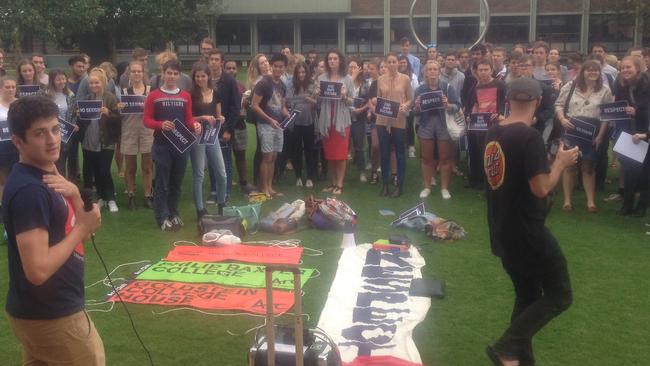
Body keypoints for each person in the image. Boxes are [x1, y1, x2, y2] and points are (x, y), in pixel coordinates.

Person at [3, 95, 104, 365]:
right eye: (39, 133)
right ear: (17, 141)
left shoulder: (46, 174)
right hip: (52, 314)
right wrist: (81, 230)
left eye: (55, 129)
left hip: (41, 311)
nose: (52, 139)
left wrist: (74, 196)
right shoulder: (30, 191)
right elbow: (37, 271)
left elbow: (84, 225)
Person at [484, 77, 576, 366]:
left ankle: (518, 359)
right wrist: (560, 162)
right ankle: (506, 347)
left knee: (527, 296)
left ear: (508, 100)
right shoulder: (529, 137)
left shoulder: (493, 132)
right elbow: (541, 188)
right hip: (528, 232)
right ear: (537, 102)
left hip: (503, 229)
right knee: (560, 295)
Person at [144, 59, 201, 231]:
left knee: (177, 181)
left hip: (181, 145)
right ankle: (161, 217)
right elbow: (146, 120)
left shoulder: (185, 96)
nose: (172, 76)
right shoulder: (154, 95)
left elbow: (188, 119)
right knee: (162, 182)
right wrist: (160, 124)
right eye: (169, 73)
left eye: (175, 73)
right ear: (163, 73)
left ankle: (174, 214)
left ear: (179, 75)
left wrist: (195, 126)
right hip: (162, 145)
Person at [555, 60, 612, 213]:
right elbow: (558, 104)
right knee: (570, 166)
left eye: (596, 70)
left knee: (588, 167)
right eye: (589, 70)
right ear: (583, 72)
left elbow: (606, 115)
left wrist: (600, 136)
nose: (592, 72)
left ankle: (591, 202)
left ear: (600, 73)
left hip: (592, 132)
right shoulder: (570, 86)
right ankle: (567, 201)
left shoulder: (605, 90)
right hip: (571, 130)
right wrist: (562, 119)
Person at [414, 60, 460, 200]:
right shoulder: (420, 90)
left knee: (444, 158)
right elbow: (415, 113)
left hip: (443, 123)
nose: (432, 72)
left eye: (435, 69)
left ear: (439, 71)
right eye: (430, 69)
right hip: (426, 124)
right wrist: (416, 107)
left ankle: (444, 188)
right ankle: (427, 187)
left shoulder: (447, 87)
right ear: (425, 72)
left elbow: (458, 106)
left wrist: (448, 105)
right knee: (427, 158)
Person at [78, 68, 121, 213]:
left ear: (102, 82)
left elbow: (118, 118)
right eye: (91, 83)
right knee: (95, 170)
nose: (94, 85)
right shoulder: (87, 99)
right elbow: (82, 122)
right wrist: (79, 114)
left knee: (104, 170)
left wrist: (108, 113)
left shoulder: (110, 98)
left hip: (106, 140)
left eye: (96, 82)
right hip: (89, 140)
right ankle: (101, 197)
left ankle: (111, 199)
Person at [613, 56, 650, 216]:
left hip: (646, 134)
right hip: (629, 134)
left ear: (638, 68)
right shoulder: (621, 86)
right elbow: (620, 110)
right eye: (622, 68)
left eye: (629, 67)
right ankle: (627, 204)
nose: (625, 70)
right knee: (629, 169)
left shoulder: (647, 85)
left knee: (646, 172)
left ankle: (642, 207)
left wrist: (638, 113)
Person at [189, 62, 227, 219]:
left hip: (212, 135)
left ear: (208, 76)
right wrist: (202, 117)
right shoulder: (190, 94)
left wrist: (221, 119)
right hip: (197, 136)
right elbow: (188, 118)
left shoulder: (215, 93)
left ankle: (221, 203)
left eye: (203, 76)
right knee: (199, 174)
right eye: (197, 76)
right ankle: (200, 209)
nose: (200, 79)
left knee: (222, 173)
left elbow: (218, 115)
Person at [316, 49, 354, 195]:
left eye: (335, 58)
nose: (332, 61)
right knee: (330, 154)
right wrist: (317, 94)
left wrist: (344, 96)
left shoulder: (347, 78)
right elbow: (318, 102)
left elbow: (352, 101)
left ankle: (340, 184)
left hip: (342, 121)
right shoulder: (322, 78)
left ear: (340, 61)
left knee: (341, 154)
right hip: (326, 119)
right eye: (330, 59)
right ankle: (333, 183)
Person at [374, 53, 412, 197]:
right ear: (386, 64)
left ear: (398, 63)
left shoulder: (405, 79)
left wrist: (405, 105)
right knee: (384, 153)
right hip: (382, 121)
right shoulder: (380, 79)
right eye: (388, 62)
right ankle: (384, 185)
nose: (391, 64)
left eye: (394, 61)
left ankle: (399, 185)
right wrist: (376, 103)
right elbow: (379, 98)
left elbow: (410, 99)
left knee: (400, 153)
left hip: (399, 120)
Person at [251, 53, 290, 198]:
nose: (278, 69)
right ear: (271, 66)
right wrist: (269, 120)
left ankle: (270, 187)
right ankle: (264, 188)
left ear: (285, 68)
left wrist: (288, 114)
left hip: (278, 125)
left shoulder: (282, 85)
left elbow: (282, 107)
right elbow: (254, 106)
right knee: (266, 157)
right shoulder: (263, 83)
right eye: (276, 66)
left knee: (273, 157)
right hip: (266, 125)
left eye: (281, 67)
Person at [117, 61, 154, 210]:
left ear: (143, 73)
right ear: (129, 74)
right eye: (134, 71)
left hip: (147, 131)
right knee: (130, 167)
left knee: (147, 167)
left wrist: (149, 107)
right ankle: (131, 195)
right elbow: (120, 116)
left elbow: (156, 112)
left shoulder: (150, 91)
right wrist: (120, 108)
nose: (137, 74)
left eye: (139, 71)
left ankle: (147, 195)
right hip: (129, 130)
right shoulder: (124, 93)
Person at [465, 58, 506, 188]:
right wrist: (469, 117)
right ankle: (481, 181)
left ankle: (494, 181)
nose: (483, 72)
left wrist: (500, 114)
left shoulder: (500, 85)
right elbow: (474, 106)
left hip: (497, 124)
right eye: (480, 70)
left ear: (491, 70)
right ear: (476, 71)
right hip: (480, 126)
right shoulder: (475, 87)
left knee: (495, 154)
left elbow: (506, 104)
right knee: (480, 153)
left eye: (486, 69)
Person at [207, 49, 240, 203]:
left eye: (216, 59)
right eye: (211, 59)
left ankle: (225, 192)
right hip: (208, 126)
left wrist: (228, 129)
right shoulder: (204, 79)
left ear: (221, 62)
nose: (213, 62)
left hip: (224, 127)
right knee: (211, 160)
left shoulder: (229, 81)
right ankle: (214, 191)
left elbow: (235, 107)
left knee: (225, 160)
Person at [224, 59, 257, 193]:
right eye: (228, 68)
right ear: (224, 69)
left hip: (239, 124)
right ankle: (226, 183)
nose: (231, 70)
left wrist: (246, 104)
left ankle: (244, 183)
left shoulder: (241, 87)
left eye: (233, 68)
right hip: (225, 125)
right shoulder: (220, 85)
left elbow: (246, 108)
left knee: (240, 155)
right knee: (225, 156)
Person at [287, 61, 318, 188]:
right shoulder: (291, 86)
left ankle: (310, 177)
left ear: (307, 72)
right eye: (299, 72)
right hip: (295, 123)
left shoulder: (313, 85)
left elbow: (318, 103)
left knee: (310, 150)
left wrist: (310, 99)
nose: (301, 74)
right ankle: (298, 176)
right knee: (296, 150)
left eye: (303, 72)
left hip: (309, 122)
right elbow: (288, 102)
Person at [43, 69, 77, 175]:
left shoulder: (70, 95)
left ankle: (65, 187)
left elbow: (73, 113)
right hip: (49, 133)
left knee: (63, 162)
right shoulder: (44, 94)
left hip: (65, 135)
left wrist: (74, 124)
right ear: (52, 81)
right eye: (58, 79)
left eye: (63, 79)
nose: (62, 81)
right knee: (51, 163)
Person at [347, 58, 370, 183]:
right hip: (345, 117)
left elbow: (369, 101)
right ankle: (342, 172)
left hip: (359, 118)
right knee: (345, 146)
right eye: (350, 67)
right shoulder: (345, 81)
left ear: (360, 68)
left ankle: (362, 171)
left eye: (354, 67)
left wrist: (361, 109)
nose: (351, 69)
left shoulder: (365, 83)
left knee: (359, 146)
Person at [0, 76, 18, 214]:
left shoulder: (20, 104)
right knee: (4, 179)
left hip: (19, 146)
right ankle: (5, 209)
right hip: (2, 147)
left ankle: (19, 204)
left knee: (19, 175)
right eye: (7, 87)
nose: (11, 89)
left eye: (13, 87)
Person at [398, 55, 419, 159]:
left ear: (408, 64)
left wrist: (410, 104)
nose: (402, 64)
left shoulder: (413, 76)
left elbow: (416, 91)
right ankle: (401, 147)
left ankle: (411, 148)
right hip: (397, 107)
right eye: (401, 62)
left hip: (409, 106)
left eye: (404, 63)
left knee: (409, 126)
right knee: (399, 128)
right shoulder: (395, 76)